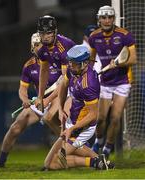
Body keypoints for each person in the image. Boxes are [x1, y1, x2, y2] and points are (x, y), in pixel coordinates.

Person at [0, 32, 67, 169]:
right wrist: (25, 100)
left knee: (54, 120)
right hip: (41, 100)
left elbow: (63, 83)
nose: (40, 48)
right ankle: (1, 161)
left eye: (42, 44)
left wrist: (48, 100)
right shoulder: (29, 66)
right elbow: (22, 89)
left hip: (59, 96)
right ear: (32, 47)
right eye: (37, 45)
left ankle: (71, 153)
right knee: (16, 127)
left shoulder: (57, 59)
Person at [41, 45, 114, 171]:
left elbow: (93, 115)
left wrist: (72, 129)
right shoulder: (73, 70)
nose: (70, 65)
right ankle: (99, 160)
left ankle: (94, 163)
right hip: (72, 121)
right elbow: (63, 85)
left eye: (74, 63)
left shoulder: (89, 84)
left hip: (82, 127)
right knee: (47, 162)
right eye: (70, 62)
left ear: (85, 64)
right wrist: (60, 108)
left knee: (53, 163)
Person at [88, 5, 137, 158]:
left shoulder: (125, 35)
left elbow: (133, 59)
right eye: (104, 17)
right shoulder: (94, 37)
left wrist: (117, 64)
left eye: (110, 17)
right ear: (99, 20)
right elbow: (91, 59)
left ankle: (108, 148)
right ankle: (99, 140)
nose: (107, 20)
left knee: (115, 118)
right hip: (105, 82)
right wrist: (89, 75)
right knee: (101, 118)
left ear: (114, 19)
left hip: (123, 81)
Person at [34, 15, 75, 112]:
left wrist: (48, 99)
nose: (45, 37)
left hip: (77, 80)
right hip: (66, 79)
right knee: (48, 119)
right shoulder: (42, 51)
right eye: (42, 34)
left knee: (64, 115)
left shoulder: (63, 47)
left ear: (55, 32)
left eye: (48, 33)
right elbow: (44, 72)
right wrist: (40, 96)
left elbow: (66, 79)